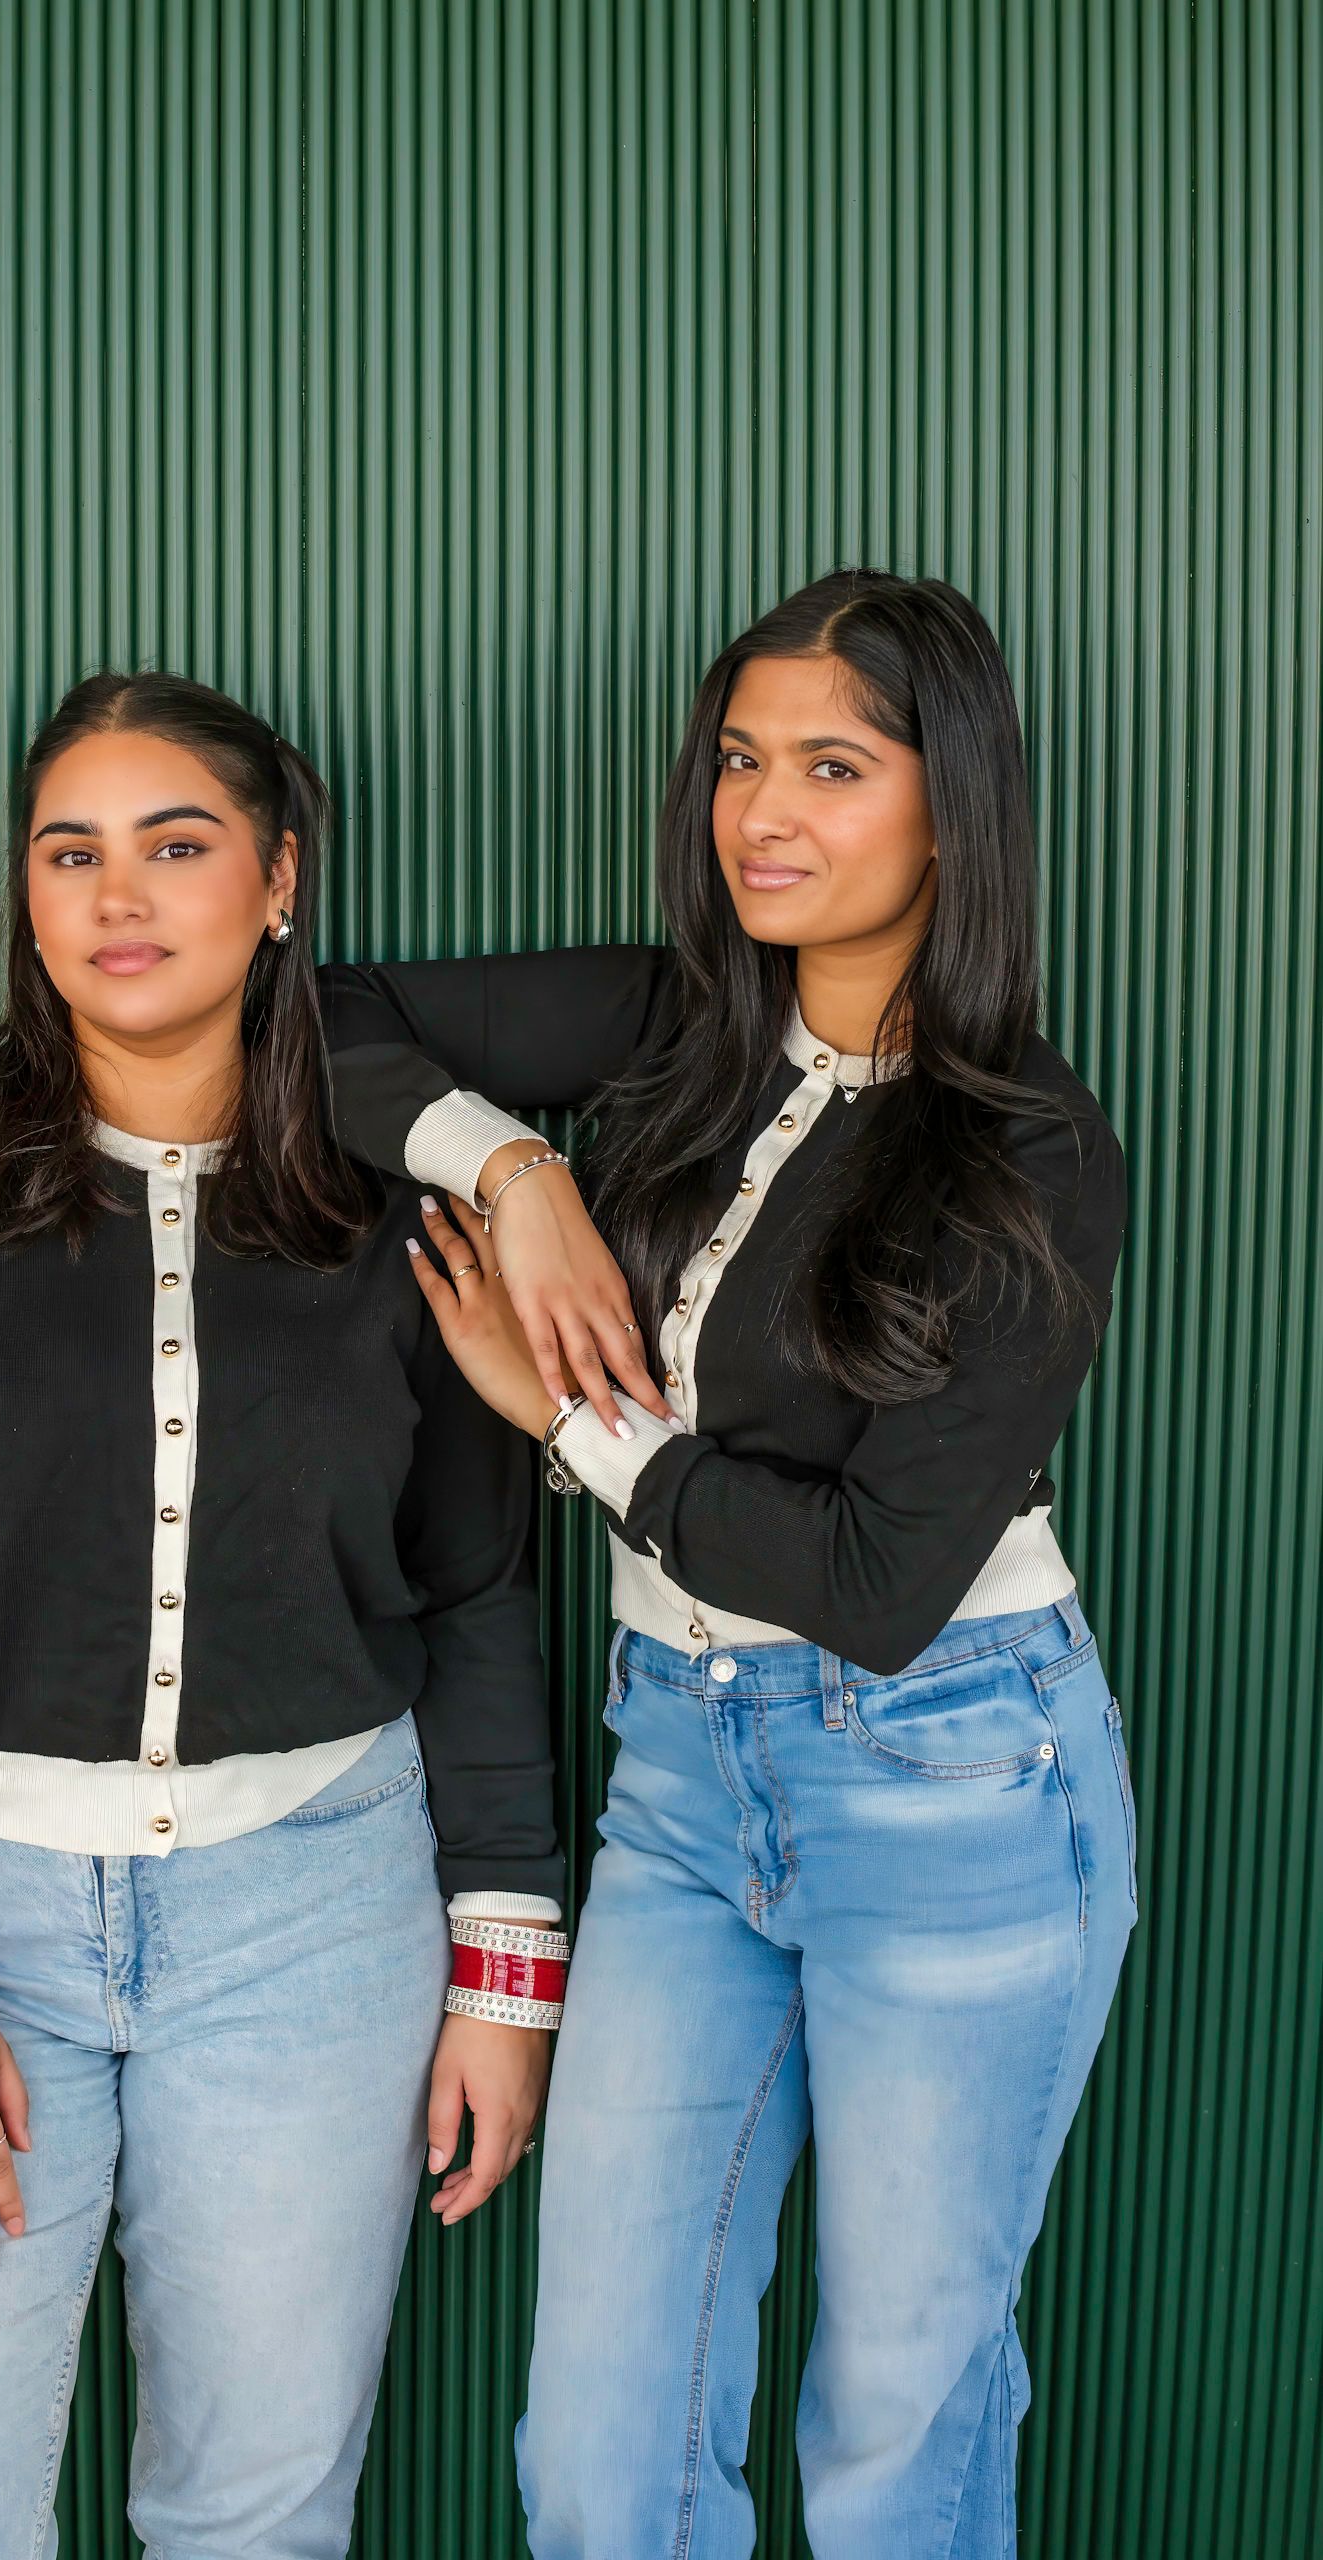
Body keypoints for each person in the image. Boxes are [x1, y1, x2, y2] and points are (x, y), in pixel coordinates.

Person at [318, 569, 1138, 2558]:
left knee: (890, 2433)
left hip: (950, 1776)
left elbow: (867, 1578)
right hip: (681, 1776)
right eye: (736, 761)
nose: (757, 812)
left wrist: (576, 1424)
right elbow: (303, 1019)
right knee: (599, 2445)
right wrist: (512, 1171)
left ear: (950, 807)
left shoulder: (1027, 1152)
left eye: (829, 768)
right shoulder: (673, 1026)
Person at [0, 673, 568, 2560]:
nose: (118, 895)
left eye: (176, 847)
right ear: (24, 900)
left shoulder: (384, 1205)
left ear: (279, 882)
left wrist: (506, 1967)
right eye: (70, 851)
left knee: (255, 2516)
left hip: (318, 1926)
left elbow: (473, 1585)